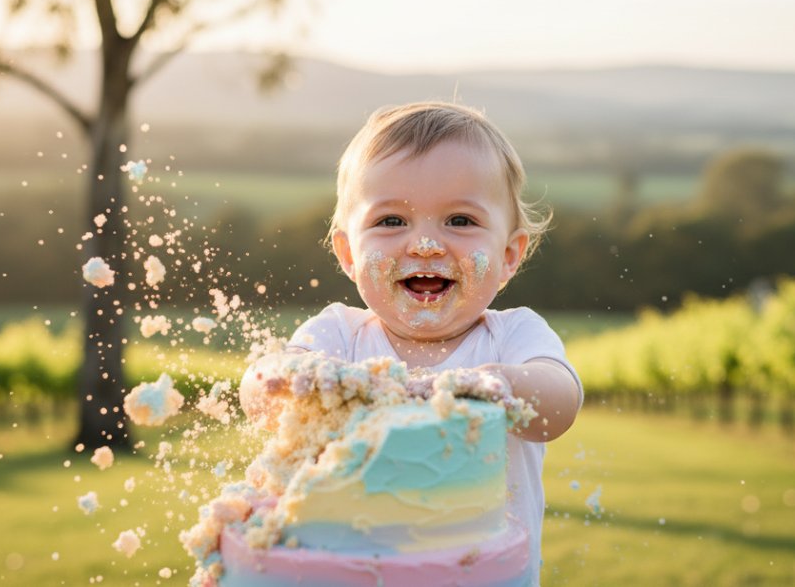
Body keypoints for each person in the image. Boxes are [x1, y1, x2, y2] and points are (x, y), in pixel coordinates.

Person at [241, 100, 582, 583]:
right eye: (391, 221)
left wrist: (500, 385)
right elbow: (259, 392)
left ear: (508, 255)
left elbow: (560, 404)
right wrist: (293, 379)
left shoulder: (512, 338)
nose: (425, 244)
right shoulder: (337, 336)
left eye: (460, 221)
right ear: (348, 253)